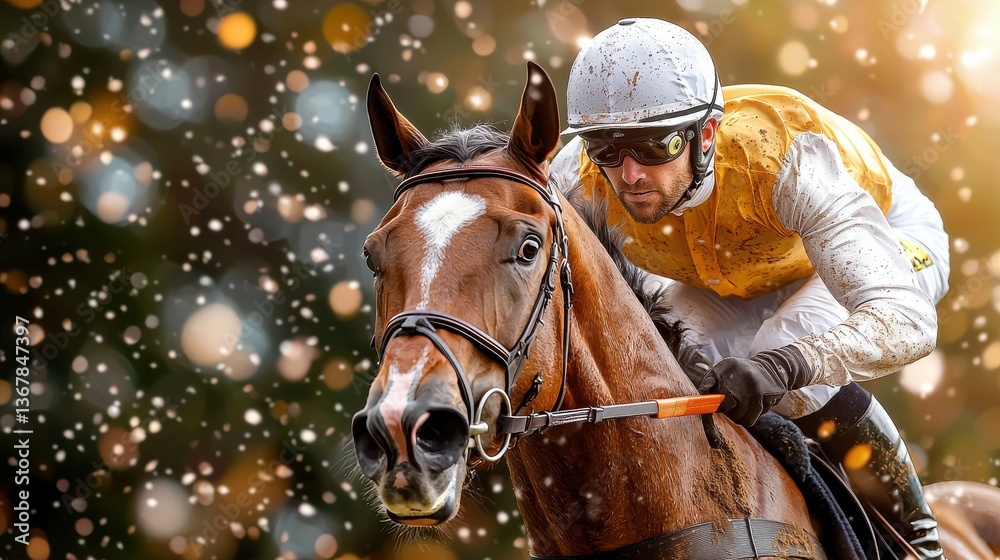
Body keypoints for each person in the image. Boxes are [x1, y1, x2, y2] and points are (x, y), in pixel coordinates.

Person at [550, 17, 950, 559]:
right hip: (731, 273)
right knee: (675, 378)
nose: (629, 175)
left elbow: (906, 320)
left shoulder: (785, 157)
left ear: (706, 133)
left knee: (776, 363)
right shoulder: (575, 178)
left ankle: (919, 542)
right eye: (607, 148)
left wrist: (784, 366)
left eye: (655, 146)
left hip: (879, 244)